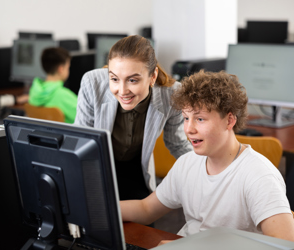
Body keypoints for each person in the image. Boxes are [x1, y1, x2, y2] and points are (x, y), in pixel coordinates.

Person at [120, 70, 294, 244]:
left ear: (229, 120)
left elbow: (283, 243)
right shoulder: (187, 163)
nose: (189, 129)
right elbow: (146, 209)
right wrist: (99, 209)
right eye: (186, 118)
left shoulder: (259, 175)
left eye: (200, 119)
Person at [75, 35, 192, 200]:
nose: (122, 91)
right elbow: (81, 140)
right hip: (98, 167)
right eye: (114, 79)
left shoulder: (172, 95)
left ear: (152, 76)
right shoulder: (92, 83)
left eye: (132, 80)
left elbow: (178, 144)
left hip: (137, 170)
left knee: (143, 221)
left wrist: (209, 170)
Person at [28, 47, 77, 123]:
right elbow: (89, 118)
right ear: (61, 69)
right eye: (68, 67)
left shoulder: (34, 91)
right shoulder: (63, 95)